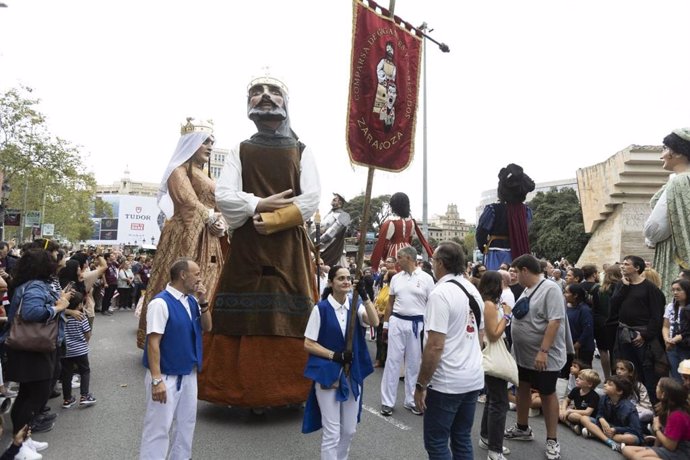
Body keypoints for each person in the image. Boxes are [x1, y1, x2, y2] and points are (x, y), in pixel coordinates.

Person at [202, 74, 320, 409]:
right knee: (242, 313)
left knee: (291, 312)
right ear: (248, 103)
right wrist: (259, 204)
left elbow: (311, 198)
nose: (265, 96)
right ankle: (239, 392)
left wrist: (271, 219)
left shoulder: (302, 150)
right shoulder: (241, 149)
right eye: (256, 92)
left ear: (286, 102)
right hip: (248, 249)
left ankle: (290, 392)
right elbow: (224, 195)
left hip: (287, 248)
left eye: (273, 91)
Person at [136, 117, 226, 348]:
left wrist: (220, 222)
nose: (210, 146)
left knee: (210, 283)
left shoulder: (207, 175)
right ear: (191, 143)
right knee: (180, 282)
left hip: (209, 236)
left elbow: (217, 206)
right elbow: (187, 201)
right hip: (185, 235)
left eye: (211, 142)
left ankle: (202, 339)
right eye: (205, 141)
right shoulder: (178, 170)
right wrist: (210, 217)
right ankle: (168, 339)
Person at [414, 241, 484, 460]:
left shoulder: (440, 293)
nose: (432, 264)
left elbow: (435, 345)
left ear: (440, 263)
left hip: (447, 382)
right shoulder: (473, 290)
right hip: (472, 376)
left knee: (436, 441)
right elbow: (480, 338)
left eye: (433, 260)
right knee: (462, 437)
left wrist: (421, 383)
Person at [301, 266, 379, 459]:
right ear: (331, 282)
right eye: (340, 278)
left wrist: (365, 296)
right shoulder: (321, 309)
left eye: (348, 278)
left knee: (349, 430)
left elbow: (374, 321)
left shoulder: (356, 305)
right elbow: (308, 343)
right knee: (332, 432)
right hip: (328, 375)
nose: (346, 281)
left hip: (352, 374)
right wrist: (334, 355)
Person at [139, 258, 212, 460]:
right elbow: (153, 342)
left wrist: (203, 301)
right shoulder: (160, 303)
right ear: (183, 275)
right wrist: (156, 380)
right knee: (158, 429)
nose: (200, 278)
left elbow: (208, 328)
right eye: (196, 274)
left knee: (186, 426)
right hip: (165, 376)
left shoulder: (191, 301)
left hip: (188, 373)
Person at [1, 249, 72, 441]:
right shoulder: (34, 287)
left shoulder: (31, 284)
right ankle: (20, 443)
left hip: (30, 346)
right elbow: (31, 313)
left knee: (27, 394)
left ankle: (23, 440)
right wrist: (58, 307)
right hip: (31, 347)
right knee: (36, 394)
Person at [504, 254, 568, 460]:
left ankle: (552, 440)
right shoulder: (527, 288)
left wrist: (543, 351)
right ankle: (522, 427)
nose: (513, 276)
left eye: (516, 272)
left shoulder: (551, 289)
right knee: (522, 386)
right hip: (524, 355)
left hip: (543, 356)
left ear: (525, 270)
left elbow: (555, 321)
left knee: (547, 393)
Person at [380, 246, 434, 417]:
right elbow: (390, 302)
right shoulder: (395, 278)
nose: (397, 261)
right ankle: (387, 402)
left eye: (399, 257)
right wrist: (386, 325)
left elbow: (432, 304)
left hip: (417, 324)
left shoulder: (427, 278)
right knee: (392, 362)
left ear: (409, 258)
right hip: (397, 321)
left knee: (413, 364)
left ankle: (411, 400)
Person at [609, 255, 667, 403]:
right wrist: (623, 287)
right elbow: (614, 305)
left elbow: (657, 315)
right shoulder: (621, 285)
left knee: (644, 371)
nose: (622, 266)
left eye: (627, 264)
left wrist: (645, 335)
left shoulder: (650, 288)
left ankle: (649, 404)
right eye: (622, 263)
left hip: (641, 335)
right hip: (623, 333)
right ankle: (624, 400)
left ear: (637, 268)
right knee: (623, 369)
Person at [644, 128, 690, 303]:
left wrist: (650, 239)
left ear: (677, 152)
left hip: (674, 256)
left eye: (664, 149)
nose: (661, 155)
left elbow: (654, 229)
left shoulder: (679, 181)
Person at [478, 271, 513, 460]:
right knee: (499, 402)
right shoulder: (489, 305)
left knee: (493, 398)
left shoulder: (489, 303)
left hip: (492, 352)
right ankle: (495, 450)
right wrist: (506, 317)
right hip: (494, 352)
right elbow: (493, 334)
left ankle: (486, 437)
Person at [476, 164, 535, 270]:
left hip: (495, 252)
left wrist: (484, 248)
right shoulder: (526, 211)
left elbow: (481, 233)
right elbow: (529, 232)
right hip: (520, 250)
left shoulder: (492, 209)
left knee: (496, 281)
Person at [622, 377, 690, 460]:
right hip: (667, 447)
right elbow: (663, 433)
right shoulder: (666, 408)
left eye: (658, 386)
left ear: (664, 394)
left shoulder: (677, 416)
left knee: (637, 456)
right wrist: (654, 448)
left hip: (680, 452)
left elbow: (671, 446)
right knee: (626, 450)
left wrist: (656, 429)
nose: (656, 388)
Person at [369, 192, 433, 272]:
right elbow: (410, 239)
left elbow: (383, 244)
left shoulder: (391, 222)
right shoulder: (412, 222)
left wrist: (377, 262)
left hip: (395, 251)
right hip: (409, 250)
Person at [580, 375, 642, 452]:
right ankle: (609, 441)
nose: (605, 385)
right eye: (606, 383)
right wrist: (601, 419)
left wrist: (616, 429)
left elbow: (636, 430)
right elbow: (600, 413)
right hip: (607, 427)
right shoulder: (604, 398)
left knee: (631, 438)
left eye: (610, 384)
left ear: (619, 391)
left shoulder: (629, 408)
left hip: (621, 432)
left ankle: (596, 434)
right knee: (584, 418)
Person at [60, 291, 96, 409]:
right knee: (84, 371)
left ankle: (67, 399)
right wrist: (84, 343)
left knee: (66, 374)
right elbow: (87, 334)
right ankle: (84, 396)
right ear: (80, 305)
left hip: (65, 351)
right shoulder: (81, 317)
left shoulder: (61, 317)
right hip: (80, 350)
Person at [596, 264, 622, 379]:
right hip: (616, 324)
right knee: (616, 353)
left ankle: (608, 377)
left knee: (604, 352)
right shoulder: (620, 288)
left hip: (602, 324)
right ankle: (617, 377)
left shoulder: (600, 290)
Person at [559, 368, 601, 434]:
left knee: (573, 416)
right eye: (578, 377)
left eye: (580, 379)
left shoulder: (594, 396)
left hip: (586, 417)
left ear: (589, 384)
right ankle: (571, 425)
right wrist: (564, 410)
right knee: (558, 407)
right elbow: (566, 400)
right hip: (574, 411)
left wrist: (570, 410)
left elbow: (587, 412)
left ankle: (565, 420)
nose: (576, 379)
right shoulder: (576, 389)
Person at [663, 279, 690, 381]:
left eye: (679, 290)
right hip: (672, 347)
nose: (675, 293)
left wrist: (675, 339)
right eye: (673, 290)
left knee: (686, 377)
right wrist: (667, 339)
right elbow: (666, 326)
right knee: (675, 376)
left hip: (686, 346)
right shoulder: (671, 306)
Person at [314, 193, 351, 268]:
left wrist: (316, 241)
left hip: (333, 251)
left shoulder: (344, 216)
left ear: (340, 203)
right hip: (320, 249)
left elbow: (331, 233)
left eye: (335, 199)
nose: (332, 200)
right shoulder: (328, 214)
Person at [564, 283, 595, 367]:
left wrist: (577, 345)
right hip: (570, 346)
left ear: (575, 295)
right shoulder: (568, 307)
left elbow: (587, 329)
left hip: (582, 349)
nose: (564, 294)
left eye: (567, 292)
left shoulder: (584, 310)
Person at [616, 359, 655, 424]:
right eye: (617, 369)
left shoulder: (638, 385)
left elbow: (646, 404)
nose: (618, 371)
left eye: (622, 369)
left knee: (647, 413)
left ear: (630, 373)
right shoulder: (614, 384)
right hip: (620, 410)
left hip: (637, 411)